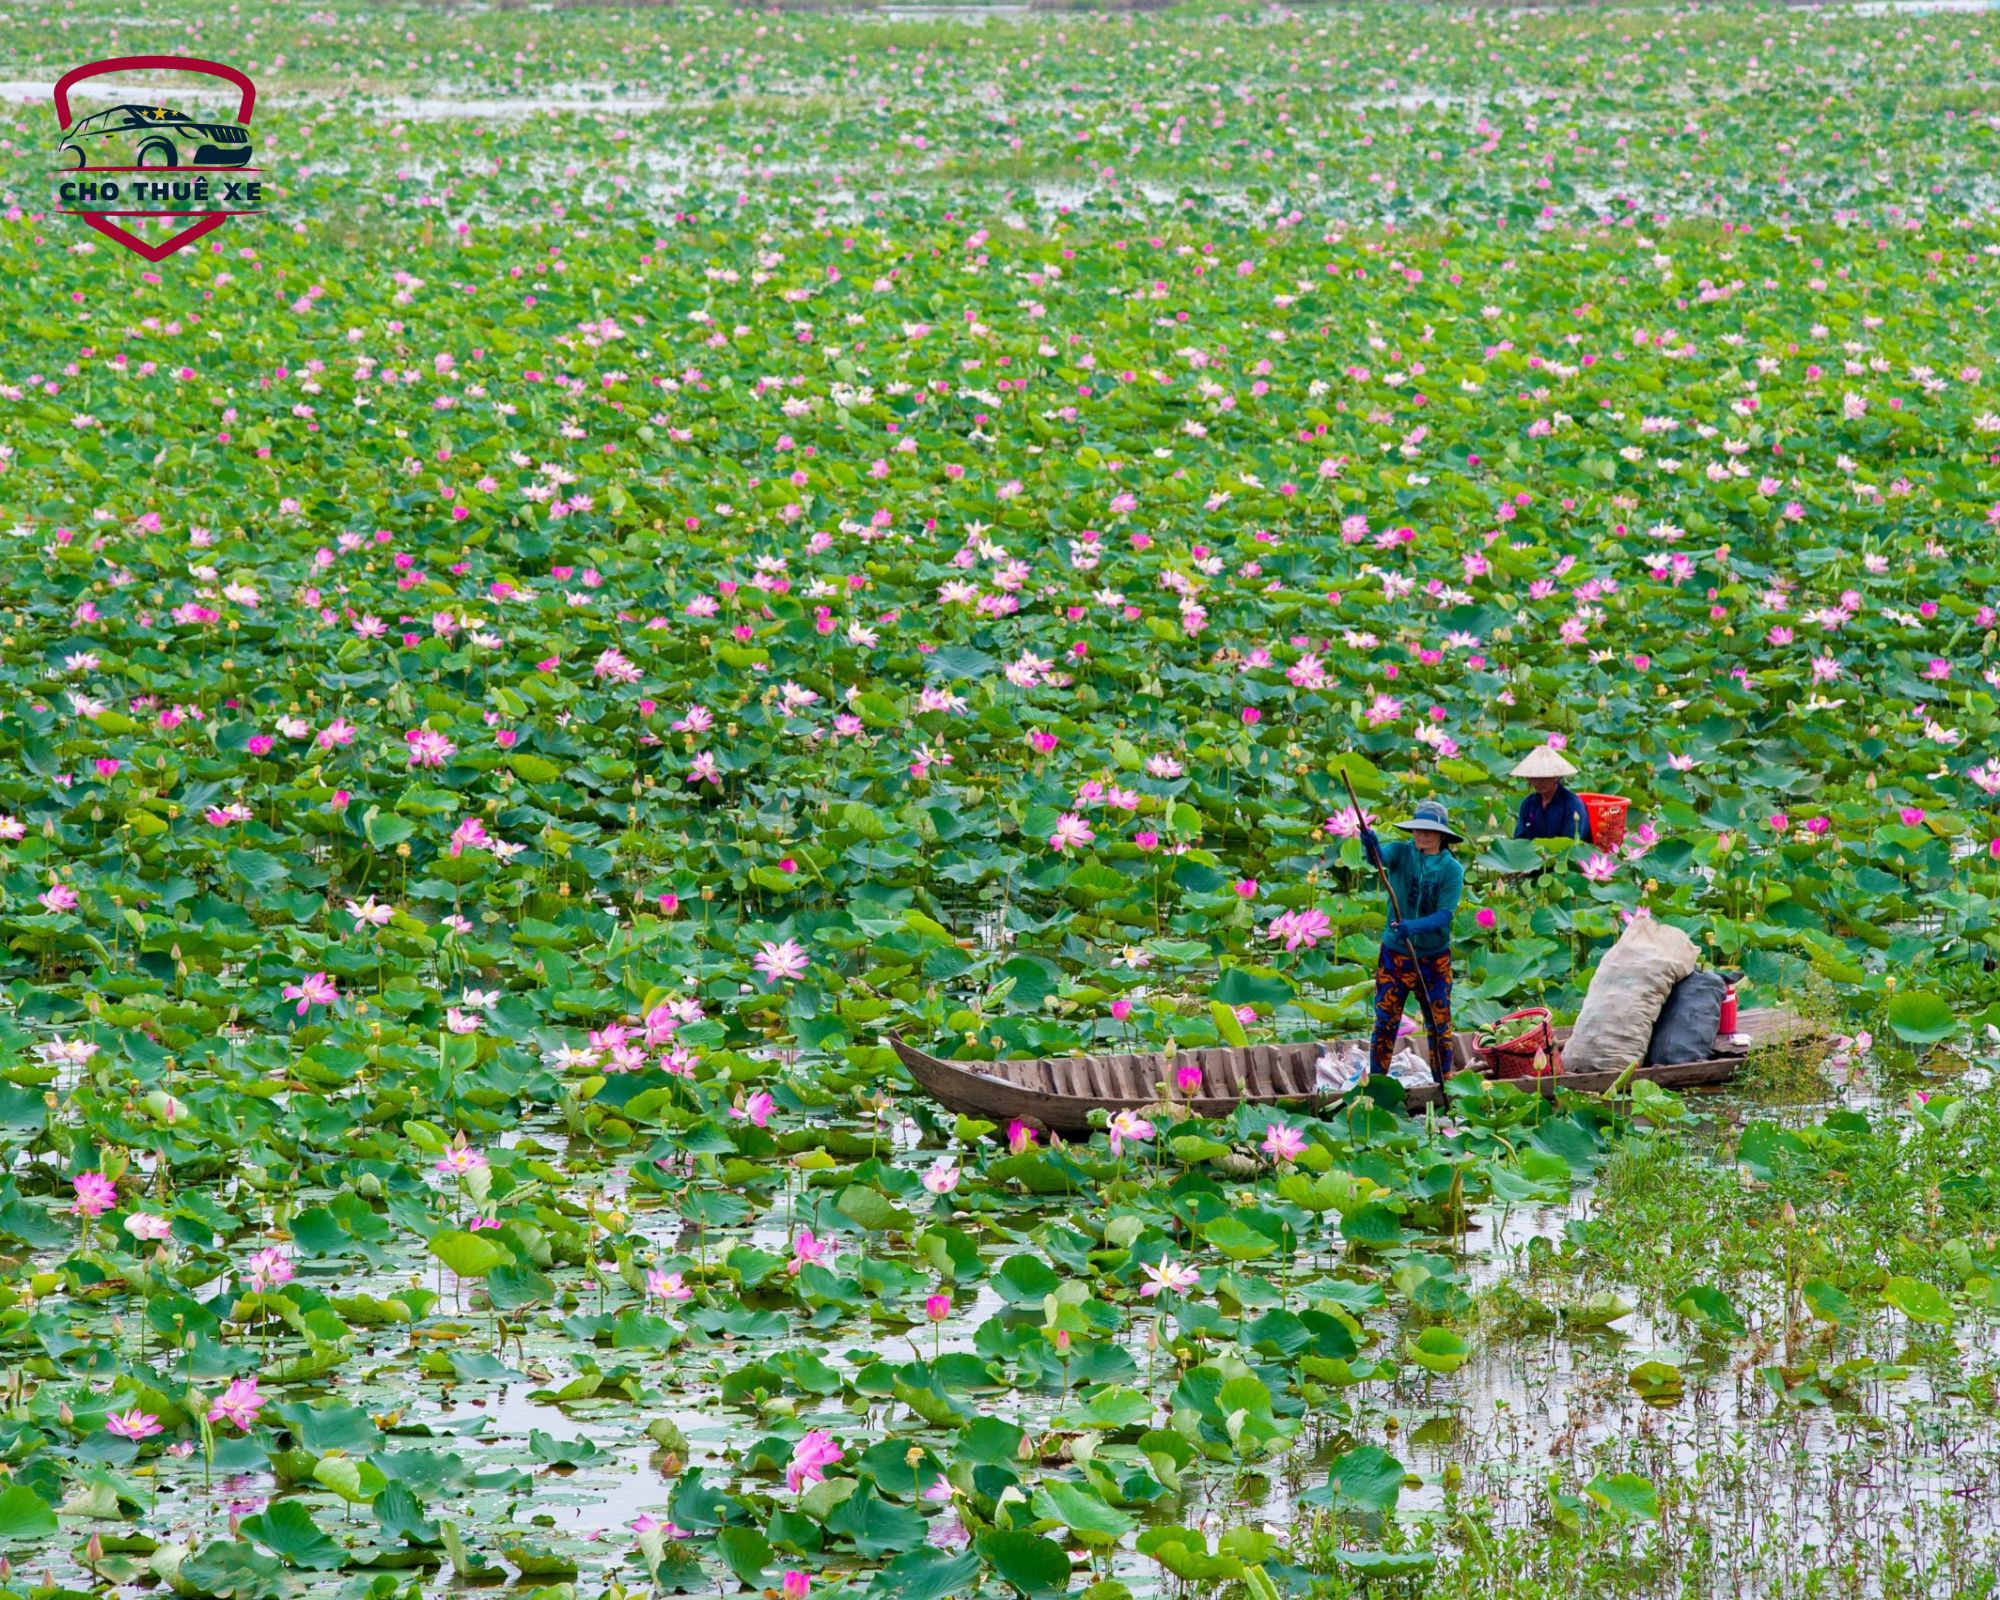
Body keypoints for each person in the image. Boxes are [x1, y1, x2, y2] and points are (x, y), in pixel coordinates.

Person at [1360, 799, 1464, 1083]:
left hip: (1434, 958)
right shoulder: (1402, 853)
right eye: (1418, 829)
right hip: (1395, 955)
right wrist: (1369, 845)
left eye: (1428, 831)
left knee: (1438, 1022)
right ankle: (1377, 1080)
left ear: (1441, 835)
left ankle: (1444, 1081)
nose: (1421, 835)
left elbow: (1444, 915)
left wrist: (1413, 927)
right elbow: (1380, 859)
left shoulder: (1451, 870)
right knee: (1385, 1019)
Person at [1512, 746, 1592, 844]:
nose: (1540, 782)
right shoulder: (1527, 804)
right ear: (1528, 778)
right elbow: (1519, 841)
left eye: (1546, 777)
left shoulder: (1573, 805)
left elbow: (1571, 845)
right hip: (1534, 856)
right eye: (1535, 778)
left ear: (1557, 776)